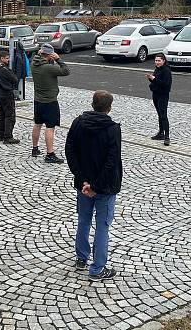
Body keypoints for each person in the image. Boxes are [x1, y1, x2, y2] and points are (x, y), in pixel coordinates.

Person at [65, 90, 122, 281]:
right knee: (103, 225)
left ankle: (81, 257)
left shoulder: (78, 123)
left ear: (92, 104)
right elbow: (111, 161)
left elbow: (70, 151)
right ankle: (98, 268)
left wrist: (83, 181)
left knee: (83, 220)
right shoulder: (112, 129)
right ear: (109, 108)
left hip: (84, 183)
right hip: (104, 186)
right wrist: (95, 186)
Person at [30, 43, 69, 163]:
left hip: (38, 100)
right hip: (50, 101)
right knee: (50, 128)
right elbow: (66, 71)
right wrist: (58, 59)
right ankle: (50, 154)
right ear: (50, 54)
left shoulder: (34, 64)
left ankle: (35, 149)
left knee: (37, 124)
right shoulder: (49, 68)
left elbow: (44, 63)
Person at [0, 50, 20, 145]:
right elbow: (15, 79)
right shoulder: (4, 69)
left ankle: (0, 134)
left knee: (1, 114)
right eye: (7, 58)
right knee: (9, 115)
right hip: (7, 93)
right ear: (2, 58)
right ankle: (8, 136)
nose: (8, 60)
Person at [146, 54, 172, 146]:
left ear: (163, 61)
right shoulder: (157, 69)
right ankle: (161, 133)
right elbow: (156, 81)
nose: (157, 62)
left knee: (163, 115)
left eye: (159, 61)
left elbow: (166, 84)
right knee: (159, 114)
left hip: (163, 95)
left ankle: (167, 136)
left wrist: (154, 79)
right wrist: (151, 79)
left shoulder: (166, 71)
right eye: (156, 61)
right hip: (156, 94)